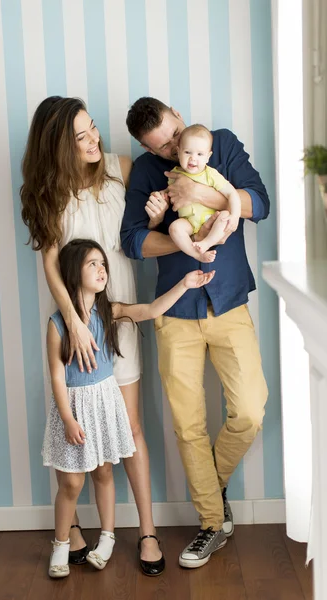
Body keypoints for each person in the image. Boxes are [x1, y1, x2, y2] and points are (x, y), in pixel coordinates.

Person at [121, 97, 269, 569]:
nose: (169, 154)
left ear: (179, 119)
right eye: (156, 148)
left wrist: (197, 194)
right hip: (174, 310)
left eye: (170, 140)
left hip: (228, 301)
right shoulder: (146, 170)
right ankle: (211, 521)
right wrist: (189, 240)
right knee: (187, 424)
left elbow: (259, 203)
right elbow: (132, 240)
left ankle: (211, 479)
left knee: (250, 408)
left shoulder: (219, 144)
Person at [20, 96, 163, 575]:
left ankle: (146, 531)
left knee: (130, 428)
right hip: (76, 325)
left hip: (120, 315)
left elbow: (148, 220)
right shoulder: (49, 193)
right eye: (80, 136)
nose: (93, 140)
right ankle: (74, 529)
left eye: (93, 129)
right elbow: (50, 263)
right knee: (76, 426)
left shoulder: (122, 168)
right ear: (59, 146)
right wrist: (75, 324)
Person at [42, 238, 215, 578]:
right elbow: (57, 377)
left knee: (104, 473)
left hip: (104, 402)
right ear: (72, 273)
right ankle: (61, 543)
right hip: (75, 408)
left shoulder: (109, 311)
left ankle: (107, 538)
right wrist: (66, 418)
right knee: (72, 483)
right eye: (92, 263)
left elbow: (149, 311)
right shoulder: (58, 323)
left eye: (102, 263)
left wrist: (185, 283)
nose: (101, 268)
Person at [147, 124, 241, 259]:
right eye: (187, 152)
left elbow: (232, 193)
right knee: (174, 228)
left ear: (208, 157)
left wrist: (235, 216)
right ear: (178, 152)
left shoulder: (210, 174)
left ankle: (207, 243)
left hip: (212, 218)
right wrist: (161, 195)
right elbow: (171, 191)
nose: (193, 158)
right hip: (189, 223)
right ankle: (196, 254)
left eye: (200, 154)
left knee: (225, 216)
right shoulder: (174, 174)